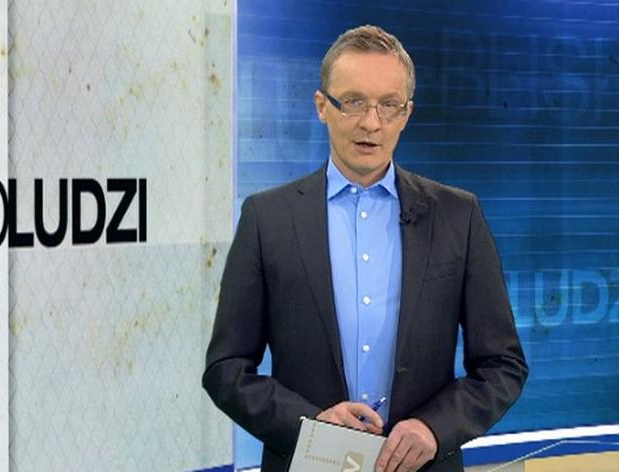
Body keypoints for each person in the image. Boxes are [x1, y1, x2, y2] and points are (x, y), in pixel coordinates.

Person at [202, 25, 528, 472]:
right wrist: (309, 427)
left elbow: (502, 365)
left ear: (406, 113)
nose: (371, 123)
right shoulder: (267, 218)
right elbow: (226, 369)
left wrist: (434, 429)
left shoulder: (458, 217)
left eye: (388, 105)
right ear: (322, 106)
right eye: (353, 102)